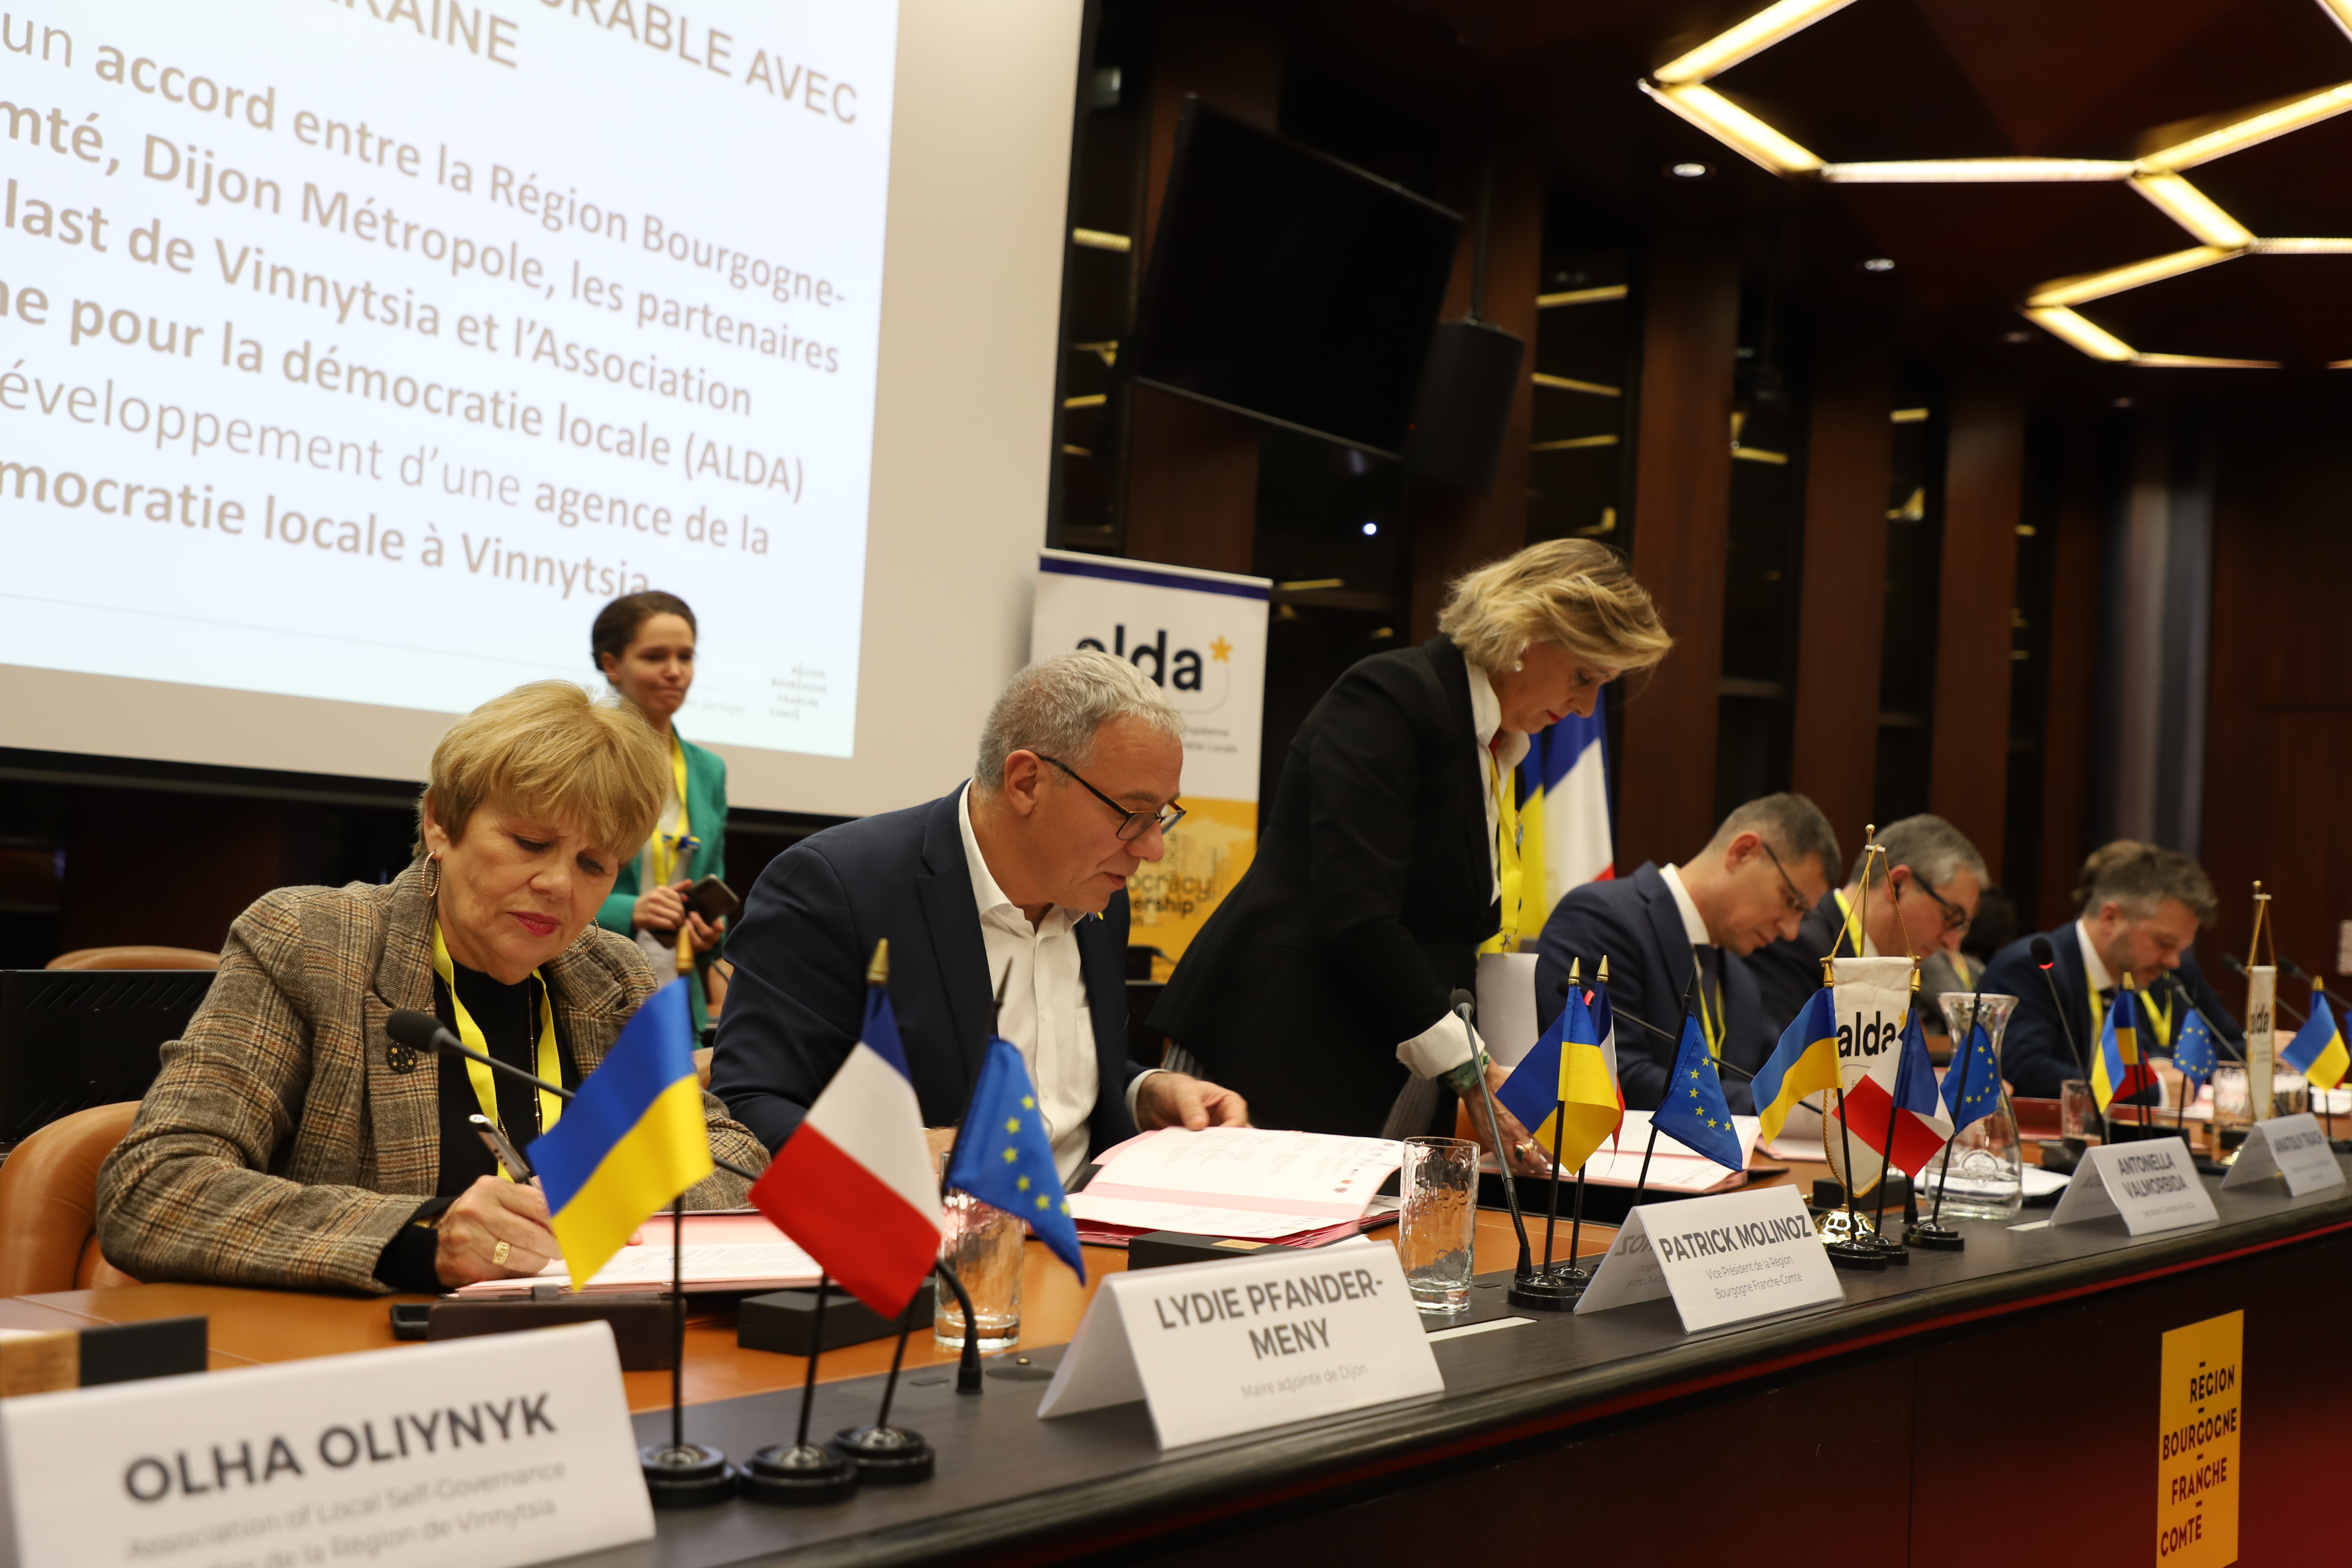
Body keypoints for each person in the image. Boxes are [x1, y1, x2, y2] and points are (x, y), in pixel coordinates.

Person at [97, 682, 765, 1294]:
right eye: (531, 843)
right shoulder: (314, 944)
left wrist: (602, 1196)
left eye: (594, 864)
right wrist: (423, 1233)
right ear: (441, 824)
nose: (561, 884)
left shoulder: (610, 975)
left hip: (581, 1345)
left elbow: (732, 1159)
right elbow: (156, 1188)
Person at [1151, 540, 1674, 1164]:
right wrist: (1470, 1071)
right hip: (1266, 1056)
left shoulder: (1493, 747)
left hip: (1362, 1072)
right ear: (1523, 631)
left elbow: (1441, 944)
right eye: (1585, 676)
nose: (1588, 707)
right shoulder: (1390, 698)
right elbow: (1358, 916)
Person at [710, 652, 1247, 1182]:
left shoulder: (1099, 893)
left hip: (1087, 1238)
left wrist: (1141, 1092)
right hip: (930, 1253)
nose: (1152, 848)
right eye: (1132, 814)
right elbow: (749, 1107)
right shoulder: (838, 887)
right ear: (1026, 783)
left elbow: (1051, 1067)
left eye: (1161, 816)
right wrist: (914, 1154)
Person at [1533, 794, 1839, 1113]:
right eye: (1792, 901)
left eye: (1803, 916)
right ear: (1743, 852)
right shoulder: (1600, 917)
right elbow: (1615, 1077)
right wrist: (1773, 1105)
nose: (1791, 931)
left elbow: (1779, 1078)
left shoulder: (1743, 980)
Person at [1980, 841, 2242, 1101]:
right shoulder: (2033, 968)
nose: (2174, 963)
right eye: (2164, 944)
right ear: (2111, 919)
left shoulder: (2123, 975)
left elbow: (2138, 1057)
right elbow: (2024, 1072)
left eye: (2181, 949)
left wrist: (2157, 1066)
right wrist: (2155, 1091)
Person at [591, 591, 728, 1034]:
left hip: (678, 983)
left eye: (685, 656)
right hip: (594, 973)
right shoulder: (585, 757)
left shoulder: (708, 770)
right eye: (655, 656)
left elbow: (713, 876)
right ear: (613, 665)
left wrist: (711, 927)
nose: (675, 671)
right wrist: (633, 909)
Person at [1746, 814, 1987, 1037]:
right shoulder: (1796, 946)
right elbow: (1789, 1076)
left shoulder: (1899, 970)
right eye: (1951, 917)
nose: (1951, 942)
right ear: (1898, 886)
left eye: (1963, 926)